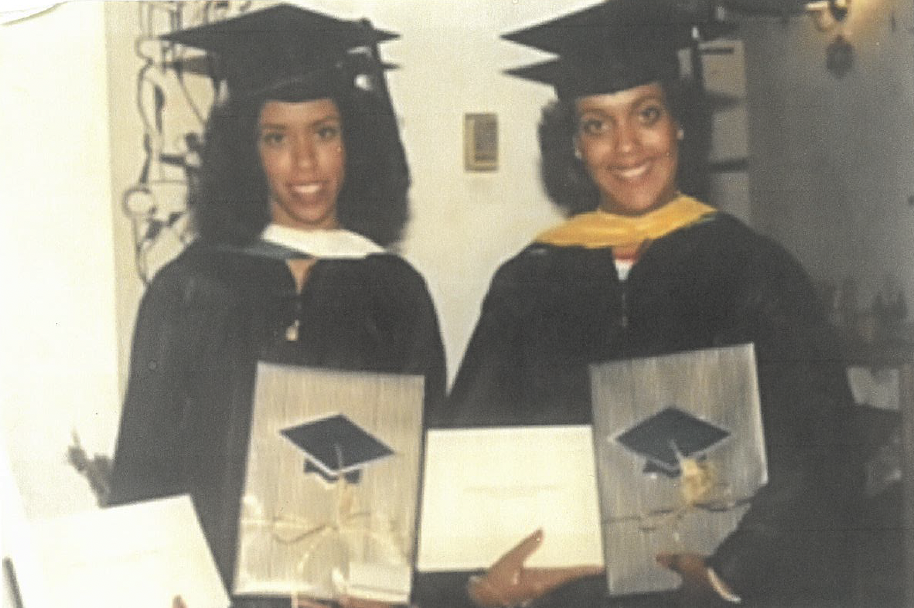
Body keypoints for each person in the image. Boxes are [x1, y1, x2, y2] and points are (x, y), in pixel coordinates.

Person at [443, 1, 857, 606]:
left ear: (682, 124)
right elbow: (473, 447)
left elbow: (825, 448)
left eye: (647, 114)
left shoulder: (754, 268)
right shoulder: (526, 284)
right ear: (575, 145)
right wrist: (483, 578)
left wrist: (727, 575)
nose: (626, 147)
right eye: (596, 124)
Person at [106, 5, 446, 608]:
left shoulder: (397, 294)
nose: (305, 163)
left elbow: (430, 479)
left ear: (354, 141)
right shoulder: (188, 290)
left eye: (324, 131)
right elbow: (142, 477)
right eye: (275, 137)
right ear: (246, 151)